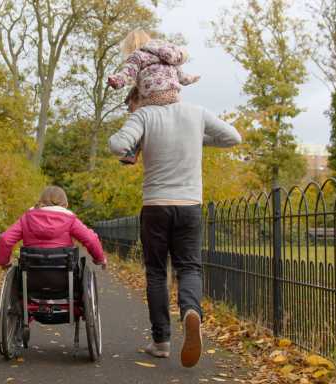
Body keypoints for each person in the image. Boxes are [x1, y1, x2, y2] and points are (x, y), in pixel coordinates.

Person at [109, 87, 241, 367]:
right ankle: (191, 311)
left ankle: (161, 341)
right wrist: (196, 139)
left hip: (156, 206)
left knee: (157, 273)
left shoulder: (145, 116)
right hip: (190, 205)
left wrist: (138, 138)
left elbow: (118, 146)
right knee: (190, 268)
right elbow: (233, 137)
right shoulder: (196, 112)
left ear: (145, 92)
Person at [0, 186, 107, 269]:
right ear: (65, 204)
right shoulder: (70, 220)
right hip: (64, 278)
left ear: (41, 201)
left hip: (31, 278)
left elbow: (5, 239)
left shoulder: (26, 218)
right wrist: (99, 259)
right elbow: (91, 239)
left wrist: (4, 262)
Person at [107, 29, 200, 109]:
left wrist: (116, 80)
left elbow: (128, 73)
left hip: (152, 96)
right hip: (173, 95)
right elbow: (182, 77)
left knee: (138, 110)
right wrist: (192, 79)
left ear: (131, 46)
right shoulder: (167, 57)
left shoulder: (137, 55)